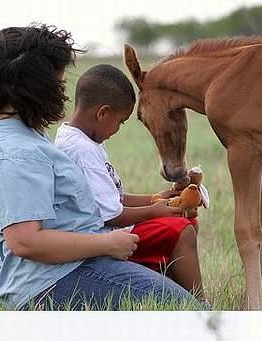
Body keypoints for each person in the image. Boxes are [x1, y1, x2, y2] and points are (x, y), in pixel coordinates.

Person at [0, 24, 198, 311]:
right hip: (51, 282)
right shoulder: (14, 154)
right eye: (57, 83)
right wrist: (106, 245)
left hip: (69, 266)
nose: (62, 92)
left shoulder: (16, 130)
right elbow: (25, 242)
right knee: (184, 309)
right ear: (34, 87)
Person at [55, 65, 206, 300]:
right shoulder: (81, 150)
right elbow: (112, 215)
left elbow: (110, 198)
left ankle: (169, 286)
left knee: (184, 219)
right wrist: (155, 212)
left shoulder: (83, 139)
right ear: (102, 113)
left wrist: (157, 198)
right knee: (182, 229)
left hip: (110, 230)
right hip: (102, 240)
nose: (117, 130)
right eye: (120, 122)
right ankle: (198, 302)